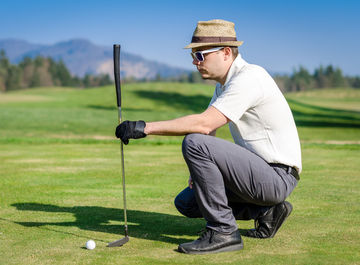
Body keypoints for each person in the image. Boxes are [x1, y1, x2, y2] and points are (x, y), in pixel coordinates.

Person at [115, 19, 302, 255]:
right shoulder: (224, 85)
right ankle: (266, 211)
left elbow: (204, 125)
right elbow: (210, 132)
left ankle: (223, 231)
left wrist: (144, 127)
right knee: (187, 203)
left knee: (194, 142)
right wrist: (198, 173)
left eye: (200, 55)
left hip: (276, 176)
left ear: (225, 52)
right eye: (193, 56)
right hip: (257, 175)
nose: (195, 62)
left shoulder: (250, 77)